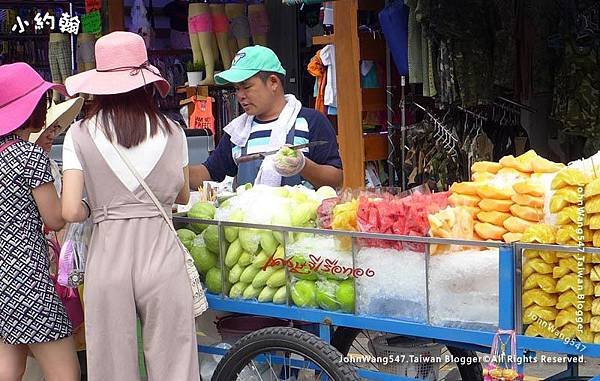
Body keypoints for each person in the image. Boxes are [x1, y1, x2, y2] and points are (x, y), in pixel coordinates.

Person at [60, 31, 200, 381]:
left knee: (111, 365)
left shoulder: (79, 135)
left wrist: (96, 210)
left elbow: (70, 211)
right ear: (146, 83)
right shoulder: (173, 132)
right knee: (175, 364)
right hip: (161, 254)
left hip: (108, 258)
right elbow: (182, 196)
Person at [0, 63, 80, 381]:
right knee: (65, 374)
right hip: (28, 284)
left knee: (8, 368)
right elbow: (55, 218)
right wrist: (80, 203)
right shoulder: (28, 156)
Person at [189, 45, 343, 190]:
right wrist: (175, 169)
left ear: (273, 82)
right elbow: (209, 172)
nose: (240, 96)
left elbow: (337, 179)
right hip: (250, 218)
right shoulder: (237, 132)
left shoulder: (311, 121)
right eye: (237, 89)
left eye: (247, 87)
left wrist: (304, 165)